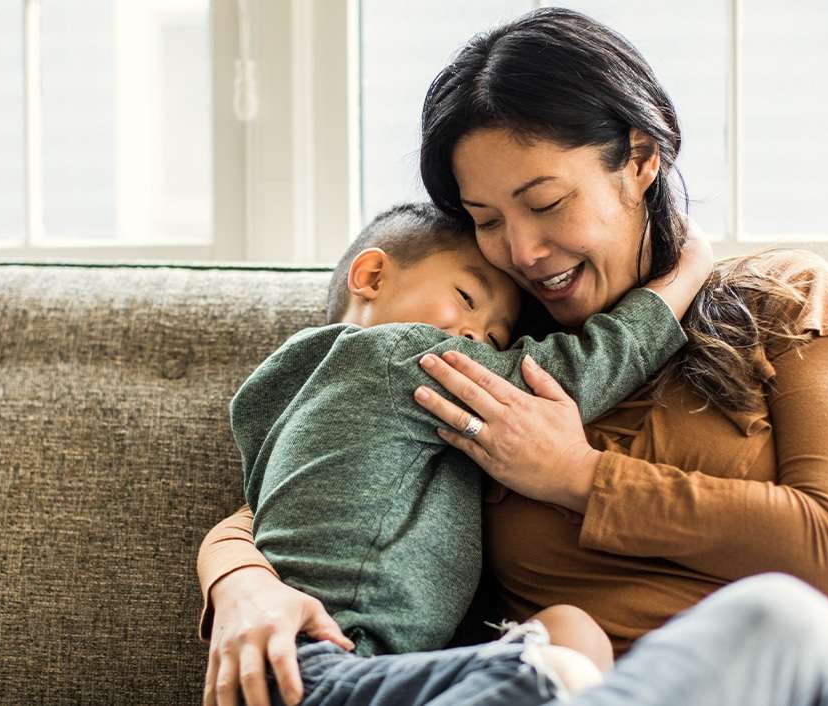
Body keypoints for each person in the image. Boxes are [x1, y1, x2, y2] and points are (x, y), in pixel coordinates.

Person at [196, 8, 828, 706]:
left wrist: (577, 476)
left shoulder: (782, 296)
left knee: (776, 616)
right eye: (486, 221)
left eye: (544, 203)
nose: (522, 251)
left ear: (641, 158)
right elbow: (300, 484)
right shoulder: (490, 359)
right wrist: (242, 585)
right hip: (566, 689)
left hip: (797, 680)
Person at [227, 200, 709, 700]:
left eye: (496, 338)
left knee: (569, 632)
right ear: (371, 275)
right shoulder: (397, 354)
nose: (476, 336)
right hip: (332, 660)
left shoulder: (282, 394)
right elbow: (567, 376)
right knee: (554, 666)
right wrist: (684, 272)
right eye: (466, 297)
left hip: (297, 665)